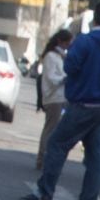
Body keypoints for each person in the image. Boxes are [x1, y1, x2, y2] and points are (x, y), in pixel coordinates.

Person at [22, 0, 100, 200]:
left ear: (95, 17)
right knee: (95, 154)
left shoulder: (86, 41)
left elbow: (70, 66)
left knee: (57, 144)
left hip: (83, 102)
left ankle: (44, 193)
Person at [33, 29, 72, 173]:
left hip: (61, 96)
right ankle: (42, 158)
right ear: (60, 41)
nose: (68, 46)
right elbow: (51, 77)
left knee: (55, 128)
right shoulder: (51, 56)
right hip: (53, 97)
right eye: (67, 43)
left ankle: (46, 157)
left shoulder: (61, 56)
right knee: (50, 128)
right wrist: (64, 79)